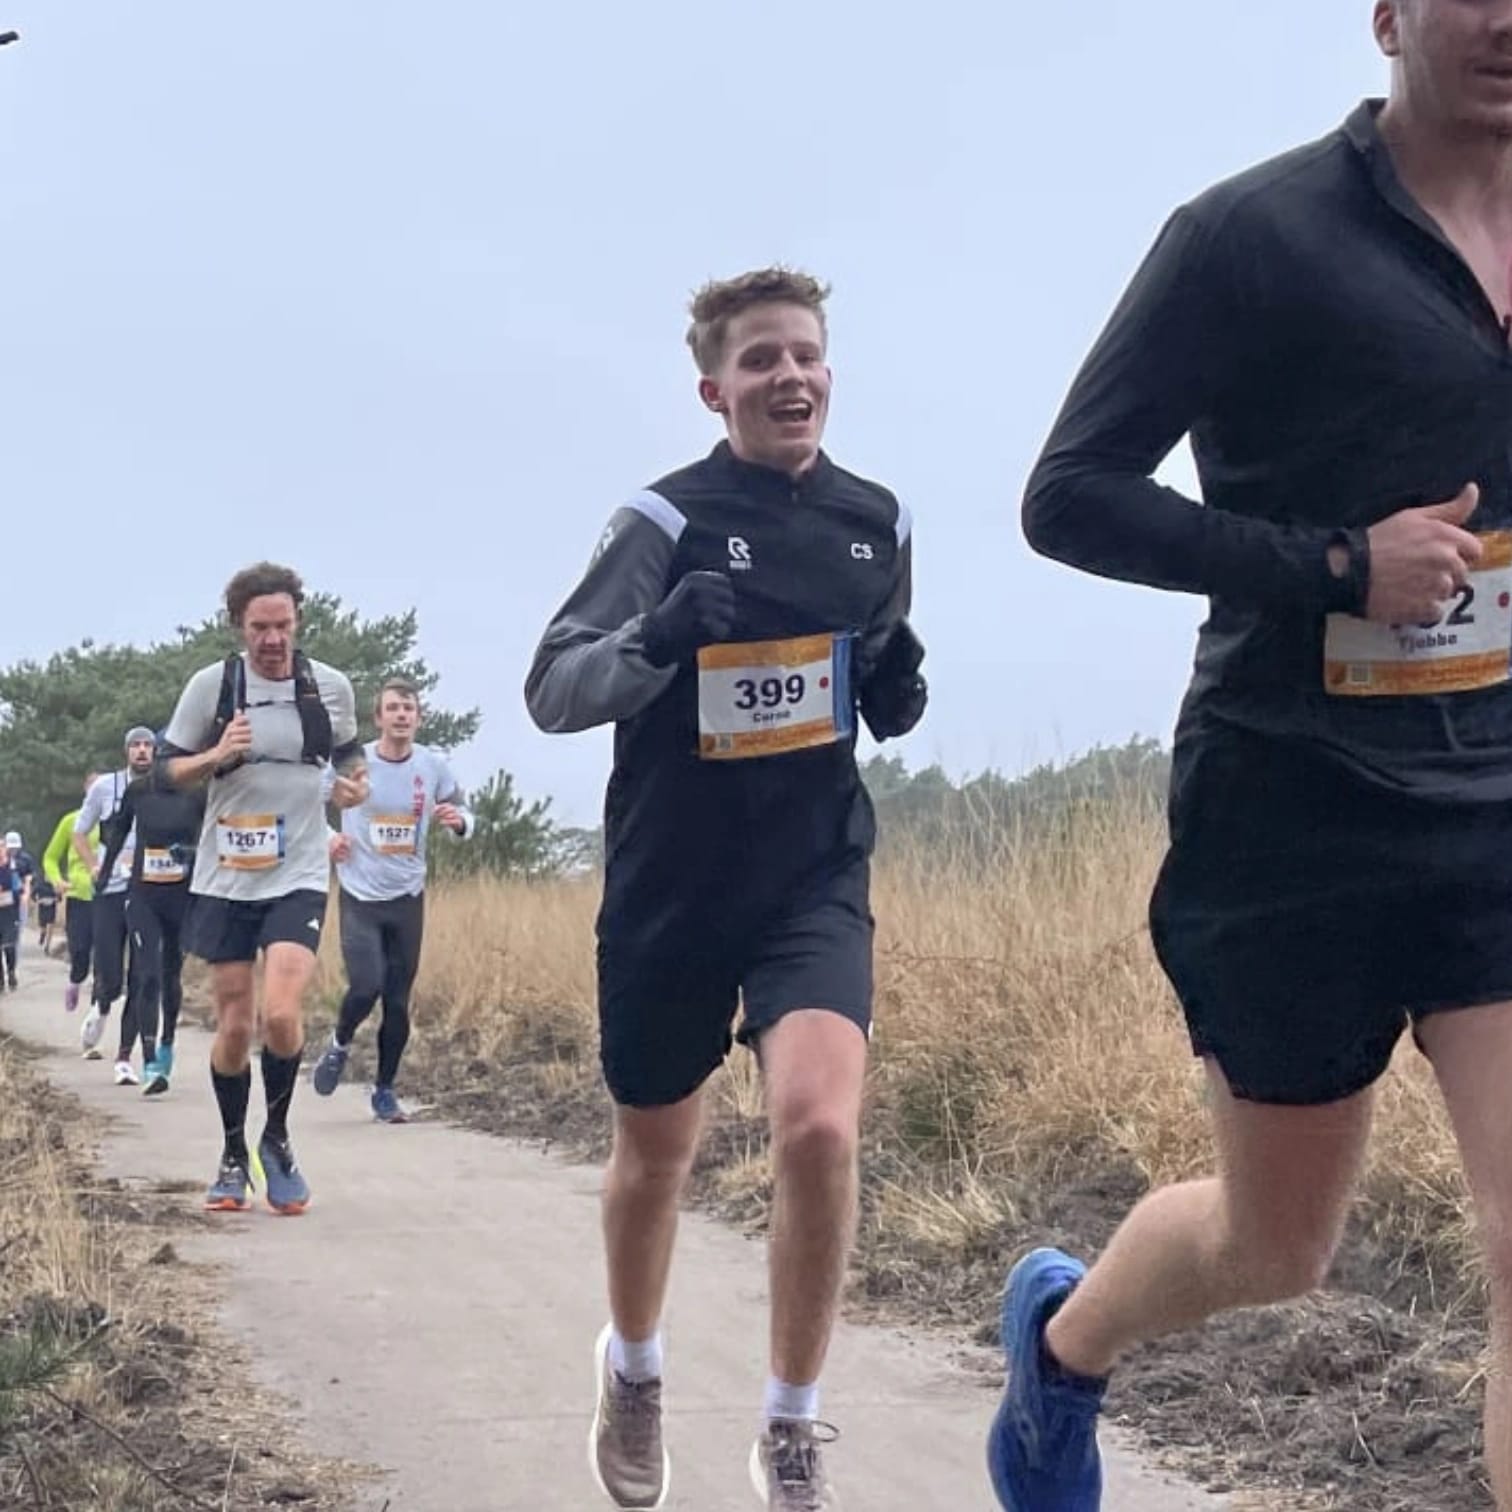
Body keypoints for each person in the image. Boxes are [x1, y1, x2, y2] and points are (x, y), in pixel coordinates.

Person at [990, 4, 1512, 1509]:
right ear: (1388, 15)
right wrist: (1339, 564)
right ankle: (1067, 1345)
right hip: (1293, 812)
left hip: (1495, 804)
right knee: (1275, 1245)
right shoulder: (1252, 237)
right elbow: (1071, 494)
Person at [526, 267, 927, 1510]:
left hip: (812, 872)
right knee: (658, 1153)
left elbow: (870, 665)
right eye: (760, 360)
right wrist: (655, 641)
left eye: (804, 354)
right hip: (673, 882)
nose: (788, 376)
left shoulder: (877, 520)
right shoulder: (663, 520)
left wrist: (895, 685)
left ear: (828, 372)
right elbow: (552, 687)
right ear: (715, 390)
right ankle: (635, 1367)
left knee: (819, 1127)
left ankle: (791, 1423)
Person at [161, 562, 366, 1214]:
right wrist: (216, 754)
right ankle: (231, 1155)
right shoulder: (213, 686)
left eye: (283, 625)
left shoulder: (328, 687)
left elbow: (350, 755)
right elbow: (166, 771)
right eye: (260, 628)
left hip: (298, 870)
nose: (273, 639)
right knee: (232, 1023)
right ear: (239, 627)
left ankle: (275, 1139)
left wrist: (354, 785)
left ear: (298, 621)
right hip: (225, 876)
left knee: (279, 1013)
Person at [310, 677, 474, 1123]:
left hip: (408, 896)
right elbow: (308, 805)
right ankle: (340, 1043)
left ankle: (385, 1090)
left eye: (409, 709)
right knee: (367, 985)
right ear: (378, 718)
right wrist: (329, 839)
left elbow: (462, 808)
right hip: (360, 893)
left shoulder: (432, 766)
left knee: (398, 1001)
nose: (402, 715)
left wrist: (459, 822)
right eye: (393, 708)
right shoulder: (353, 762)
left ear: (419, 718)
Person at [94, 748, 207, 1097]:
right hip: (143, 895)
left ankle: (167, 1042)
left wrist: (191, 855)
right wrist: (104, 874)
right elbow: (118, 832)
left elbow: (211, 839)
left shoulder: (197, 794)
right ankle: (150, 1061)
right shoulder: (139, 790)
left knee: (171, 975)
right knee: (147, 974)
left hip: (182, 898)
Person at [75, 730, 156, 1081]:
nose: (142, 751)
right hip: (109, 889)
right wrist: (94, 866)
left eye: (148, 745)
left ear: (155, 752)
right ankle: (102, 1003)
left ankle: (124, 1057)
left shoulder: (163, 787)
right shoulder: (104, 787)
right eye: (136, 745)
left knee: (141, 975)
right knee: (109, 972)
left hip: (147, 891)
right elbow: (79, 832)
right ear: (126, 752)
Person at [43, 774, 101, 1014]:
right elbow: (50, 857)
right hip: (78, 894)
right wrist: (57, 880)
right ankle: (75, 981)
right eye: (93, 788)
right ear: (86, 791)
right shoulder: (71, 821)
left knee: (106, 953)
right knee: (80, 951)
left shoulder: (116, 820)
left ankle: (99, 1005)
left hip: (108, 895)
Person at [5, 831, 35, 971]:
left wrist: (27, 892)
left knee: (16, 931)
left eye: (15, 848)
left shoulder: (25, 860)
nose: (13, 850)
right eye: (10, 848)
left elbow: (30, 877)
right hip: (3, 901)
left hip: (19, 899)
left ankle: (12, 965)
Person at [0, 837, 23, 992]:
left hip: (9, 912)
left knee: (9, 946)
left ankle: (11, 972)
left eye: (1, 848)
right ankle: (0, 980)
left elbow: (18, 888)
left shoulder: (12, 868)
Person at [33, 873, 58, 957]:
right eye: (47, 876)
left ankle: (47, 946)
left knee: (50, 928)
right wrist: (38, 901)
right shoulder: (39, 885)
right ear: (45, 877)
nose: (49, 878)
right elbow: (32, 895)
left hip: (52, 909)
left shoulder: (55, 886)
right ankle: (42, 934)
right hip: (42, 909)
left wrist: (55, 899)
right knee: (43, 928)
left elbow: (60, 898)